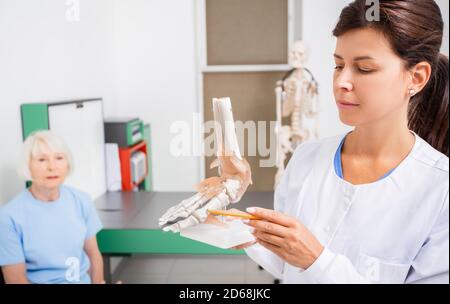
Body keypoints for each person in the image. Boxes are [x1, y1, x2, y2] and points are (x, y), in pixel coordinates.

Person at [237, 0, 449, 284]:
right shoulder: (306, 159)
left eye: (364, 68)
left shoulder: (440, 190)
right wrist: (234, 228)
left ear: (417, 77)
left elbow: (309, 261)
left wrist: (317, 261)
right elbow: (286, 263)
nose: (341, 82)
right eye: (338, 65)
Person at [0, 130, 104, 284]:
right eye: (42, 160)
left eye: (59, 158)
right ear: (28, 166)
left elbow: (93, 255)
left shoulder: (82, 200)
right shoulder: (8, 217)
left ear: (67, 164)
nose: (52, 166)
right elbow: (16, 280)